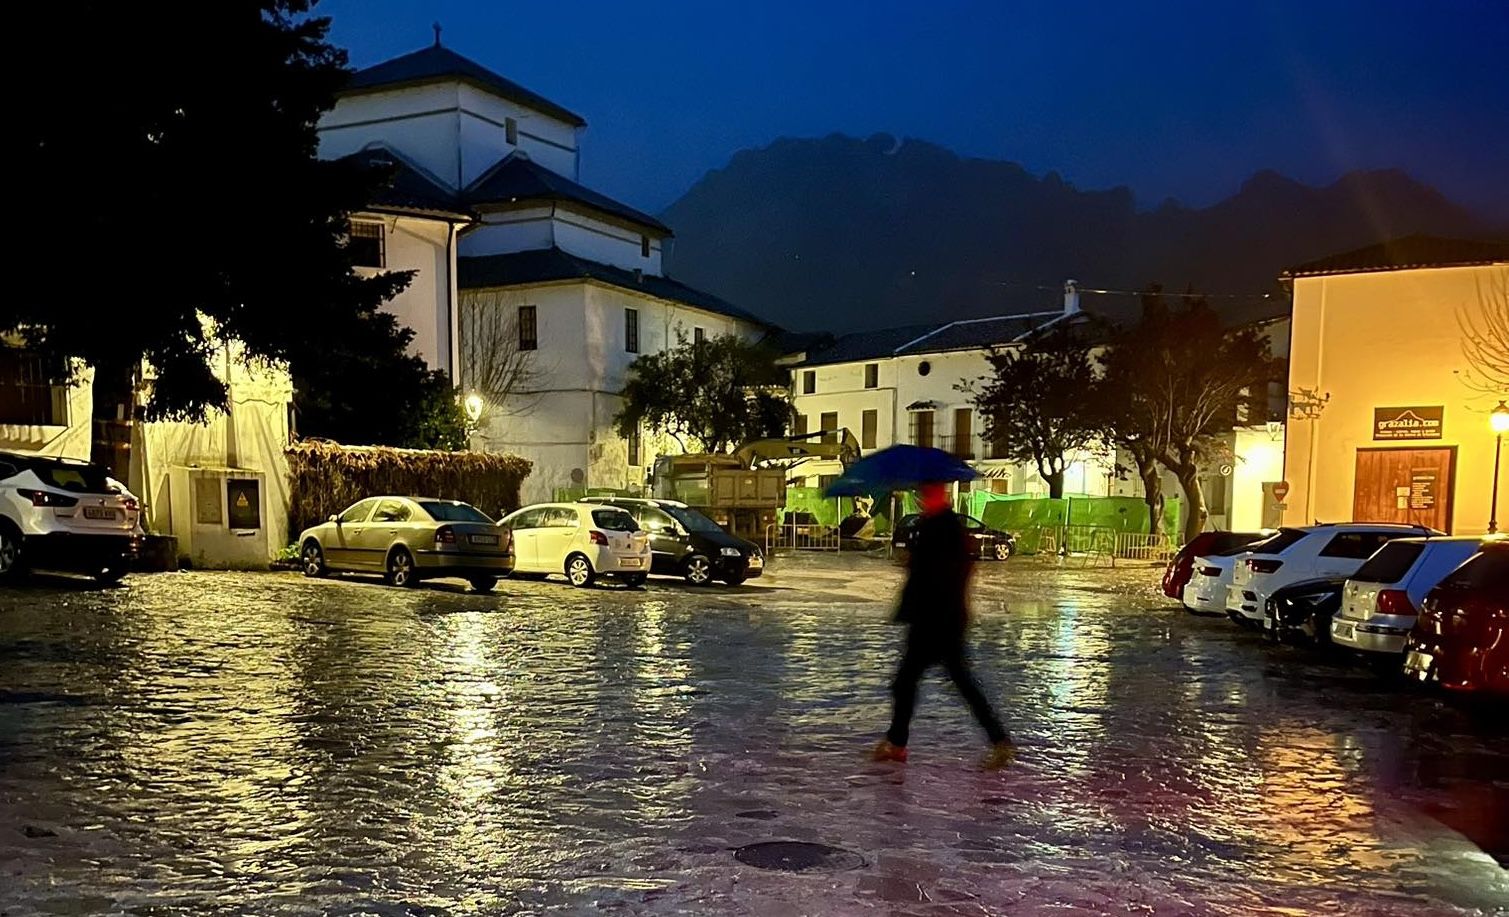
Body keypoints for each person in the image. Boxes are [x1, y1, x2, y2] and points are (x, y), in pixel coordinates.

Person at [874, 481, 1016, 769]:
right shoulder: (938, 525)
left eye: (925, 493)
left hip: (936, 619)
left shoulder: (943, 527)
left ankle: (1000, 741)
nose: (920, 498)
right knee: (913, 682)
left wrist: (915, 565)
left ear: (936, 495)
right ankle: (898, 743)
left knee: (921, 682)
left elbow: (943, 570)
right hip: (938, 617)